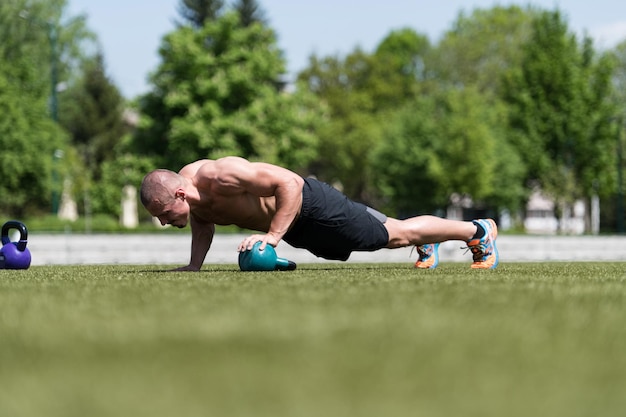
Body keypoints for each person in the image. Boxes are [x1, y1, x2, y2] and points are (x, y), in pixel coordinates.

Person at [140, 156, 499, 271]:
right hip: (293, 228)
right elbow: (203, 227)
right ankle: (428, 243)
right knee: (374, 240)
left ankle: (477, 230)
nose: (163, 221)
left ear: (180, 193)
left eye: (164, 212)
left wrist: (272, 238)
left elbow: (289, 184)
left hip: (311, 204)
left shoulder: (219, 175)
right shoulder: (195, 203)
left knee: (393, 234)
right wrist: (194, 266)